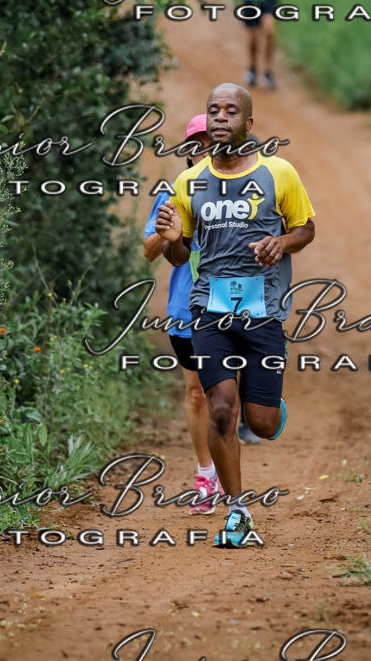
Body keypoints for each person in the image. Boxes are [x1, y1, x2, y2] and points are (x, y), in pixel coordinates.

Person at [156, 83, 315, 547]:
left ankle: (269, 408)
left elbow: (306, 228)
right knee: (223, 410)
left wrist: (280, 242)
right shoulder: (190, 182)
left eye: (230, 111)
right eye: (214, 110)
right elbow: (179, 255)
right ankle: (238, 514)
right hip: (210, 309)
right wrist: (171, 240)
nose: (221, 117)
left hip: (263, 310)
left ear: (248, 123)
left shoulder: (278, 172)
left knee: (259, 422)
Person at [144, 114, 222, 512]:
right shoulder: (172, 193)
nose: (201, 152)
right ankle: (207, 475)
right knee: (196, 393)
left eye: (209, 145)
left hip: (232, 307)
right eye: (195, 146)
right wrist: (167, 230)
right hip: (186, 311)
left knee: (227, 393)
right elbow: (148, 250)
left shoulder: (241, 191)